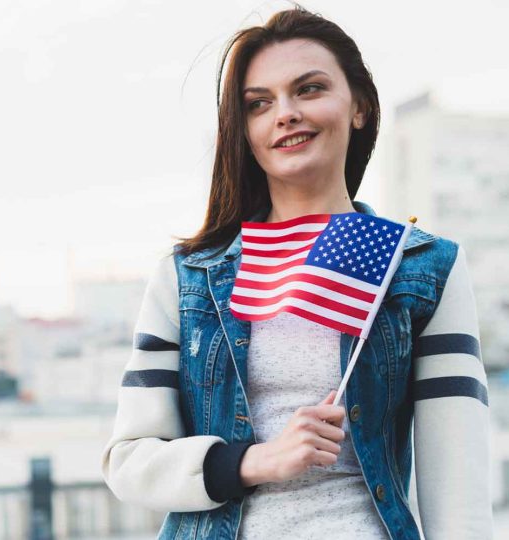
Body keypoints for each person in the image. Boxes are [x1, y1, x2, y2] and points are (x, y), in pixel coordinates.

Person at [101, 5, 494, 539]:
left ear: (358, 107)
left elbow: (459, 491)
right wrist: (254, 460)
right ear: (245, 131)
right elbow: (128, 460)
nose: (284, 113)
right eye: (259, 104)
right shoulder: (186, 278)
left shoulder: (421, 267)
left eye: (308, 89)